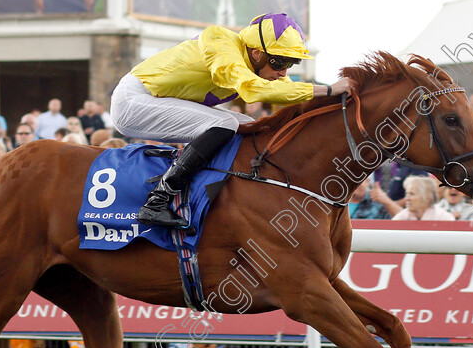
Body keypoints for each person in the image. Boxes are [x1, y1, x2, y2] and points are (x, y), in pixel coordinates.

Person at [110, 13, 354, 228]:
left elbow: (293, 96)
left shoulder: (261, 64)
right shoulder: (220, 41)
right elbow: (253, 89)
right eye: (279, 62)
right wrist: (329, 90)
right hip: (134, 101)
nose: (283, 72)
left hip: (158, 102)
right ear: (257, 53)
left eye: (290, 63)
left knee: (251, 125)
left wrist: (345, 103)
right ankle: (158, 199)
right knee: (226, 125)